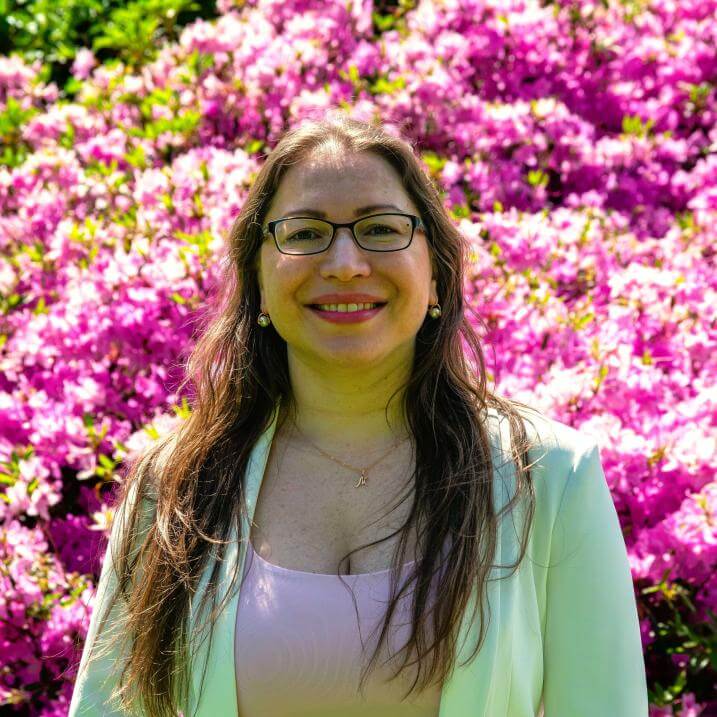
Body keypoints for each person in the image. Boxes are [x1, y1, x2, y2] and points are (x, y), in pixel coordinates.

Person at [68, 111, 649, 716]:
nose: (345, 263)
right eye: (304, 232)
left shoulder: (551, 477)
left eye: (380, 229)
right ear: (258, 279)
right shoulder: (177, 485)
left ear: (437, 275)